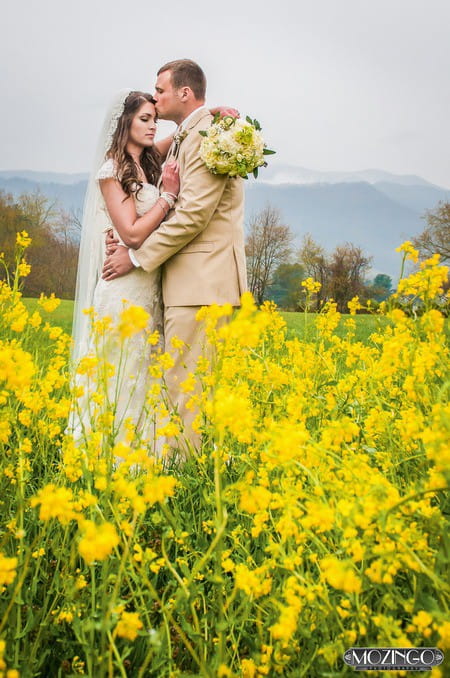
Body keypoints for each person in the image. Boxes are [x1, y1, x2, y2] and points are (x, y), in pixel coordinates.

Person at [102, 60, 247, 453]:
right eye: (145, 112)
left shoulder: (207, 135)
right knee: (181, 386)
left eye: (161, 91)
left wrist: (134, 257)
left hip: (201, 281)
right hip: (183, 282)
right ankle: (180, 469)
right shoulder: (185, 136)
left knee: (187, 389)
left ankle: (189, 479)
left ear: (184, 93)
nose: (156, 99)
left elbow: (194, 215)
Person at [70, 90, 180, 450]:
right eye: (144, 119)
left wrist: (214, 114)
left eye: (154, 119)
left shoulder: (149, 161)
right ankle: (108, 456)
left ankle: (148, 456)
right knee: (119, 371)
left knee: (146, 372)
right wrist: (167, 198)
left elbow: (181, 134)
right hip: (123, 288)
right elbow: (131, 233)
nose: (152, 126)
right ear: (125, 123)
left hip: (148, 287)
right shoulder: (112, 170)